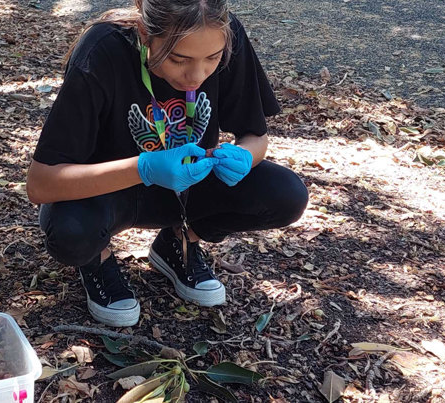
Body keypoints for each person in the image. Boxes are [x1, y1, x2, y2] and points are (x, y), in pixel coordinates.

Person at [26, 0, 308, 327]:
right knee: (71, 233)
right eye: (178, 59)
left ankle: (180, 242)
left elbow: (255, 136)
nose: (197, 76)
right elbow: (40, 184)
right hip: (107, 192)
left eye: (213, 59)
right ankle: (97, 260)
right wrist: (143, 168)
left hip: (189, 186)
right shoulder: (102, 50)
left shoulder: (224, 32)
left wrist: (245, 155)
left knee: (285, 195)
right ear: (145, 34)